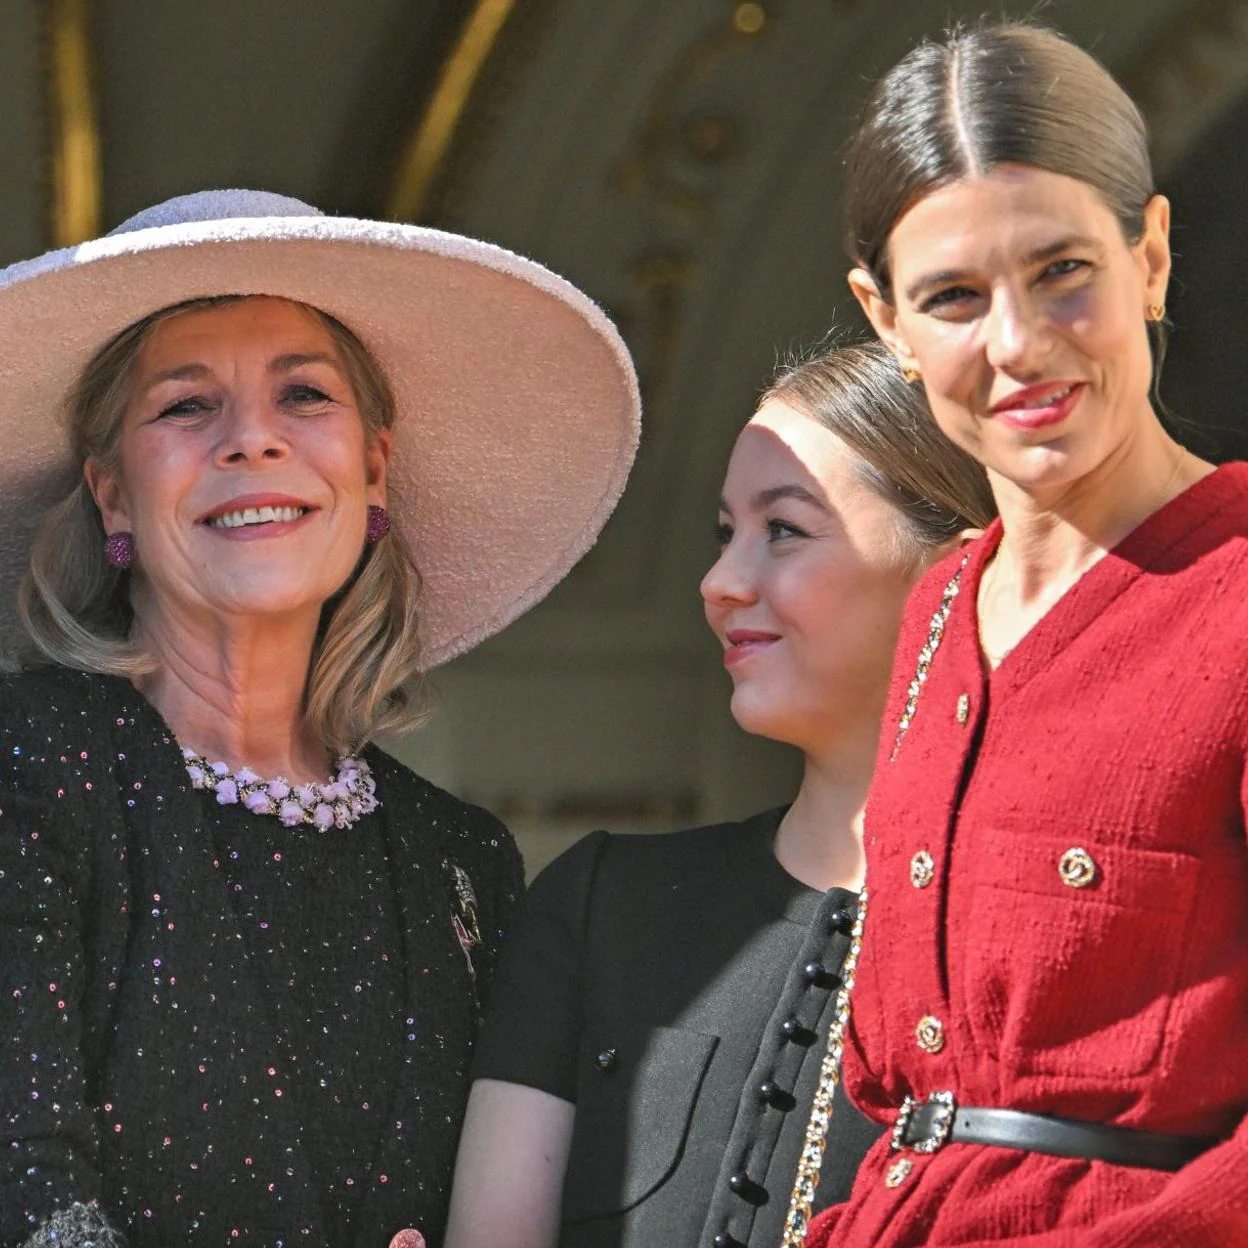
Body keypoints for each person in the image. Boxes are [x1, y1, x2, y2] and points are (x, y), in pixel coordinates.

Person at [0, 190, 640, 1248]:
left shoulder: (463, 862)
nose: (252, 440)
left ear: (373, 468)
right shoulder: (29, 767)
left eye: (304, 394)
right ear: (112, 496)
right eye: (184, 406)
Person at [800, 21, 1248, 1248]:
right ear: (884, 321)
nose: (1016, 344)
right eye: (952, 296)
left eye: (1063, 271)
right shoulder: (941, 607)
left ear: (1150, 256)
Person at [444, 340, 995, 1248]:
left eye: (783, 529)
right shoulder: (596, 906)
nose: (718, 583)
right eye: (724, 533)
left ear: (955, 571)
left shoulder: (1060, 938)